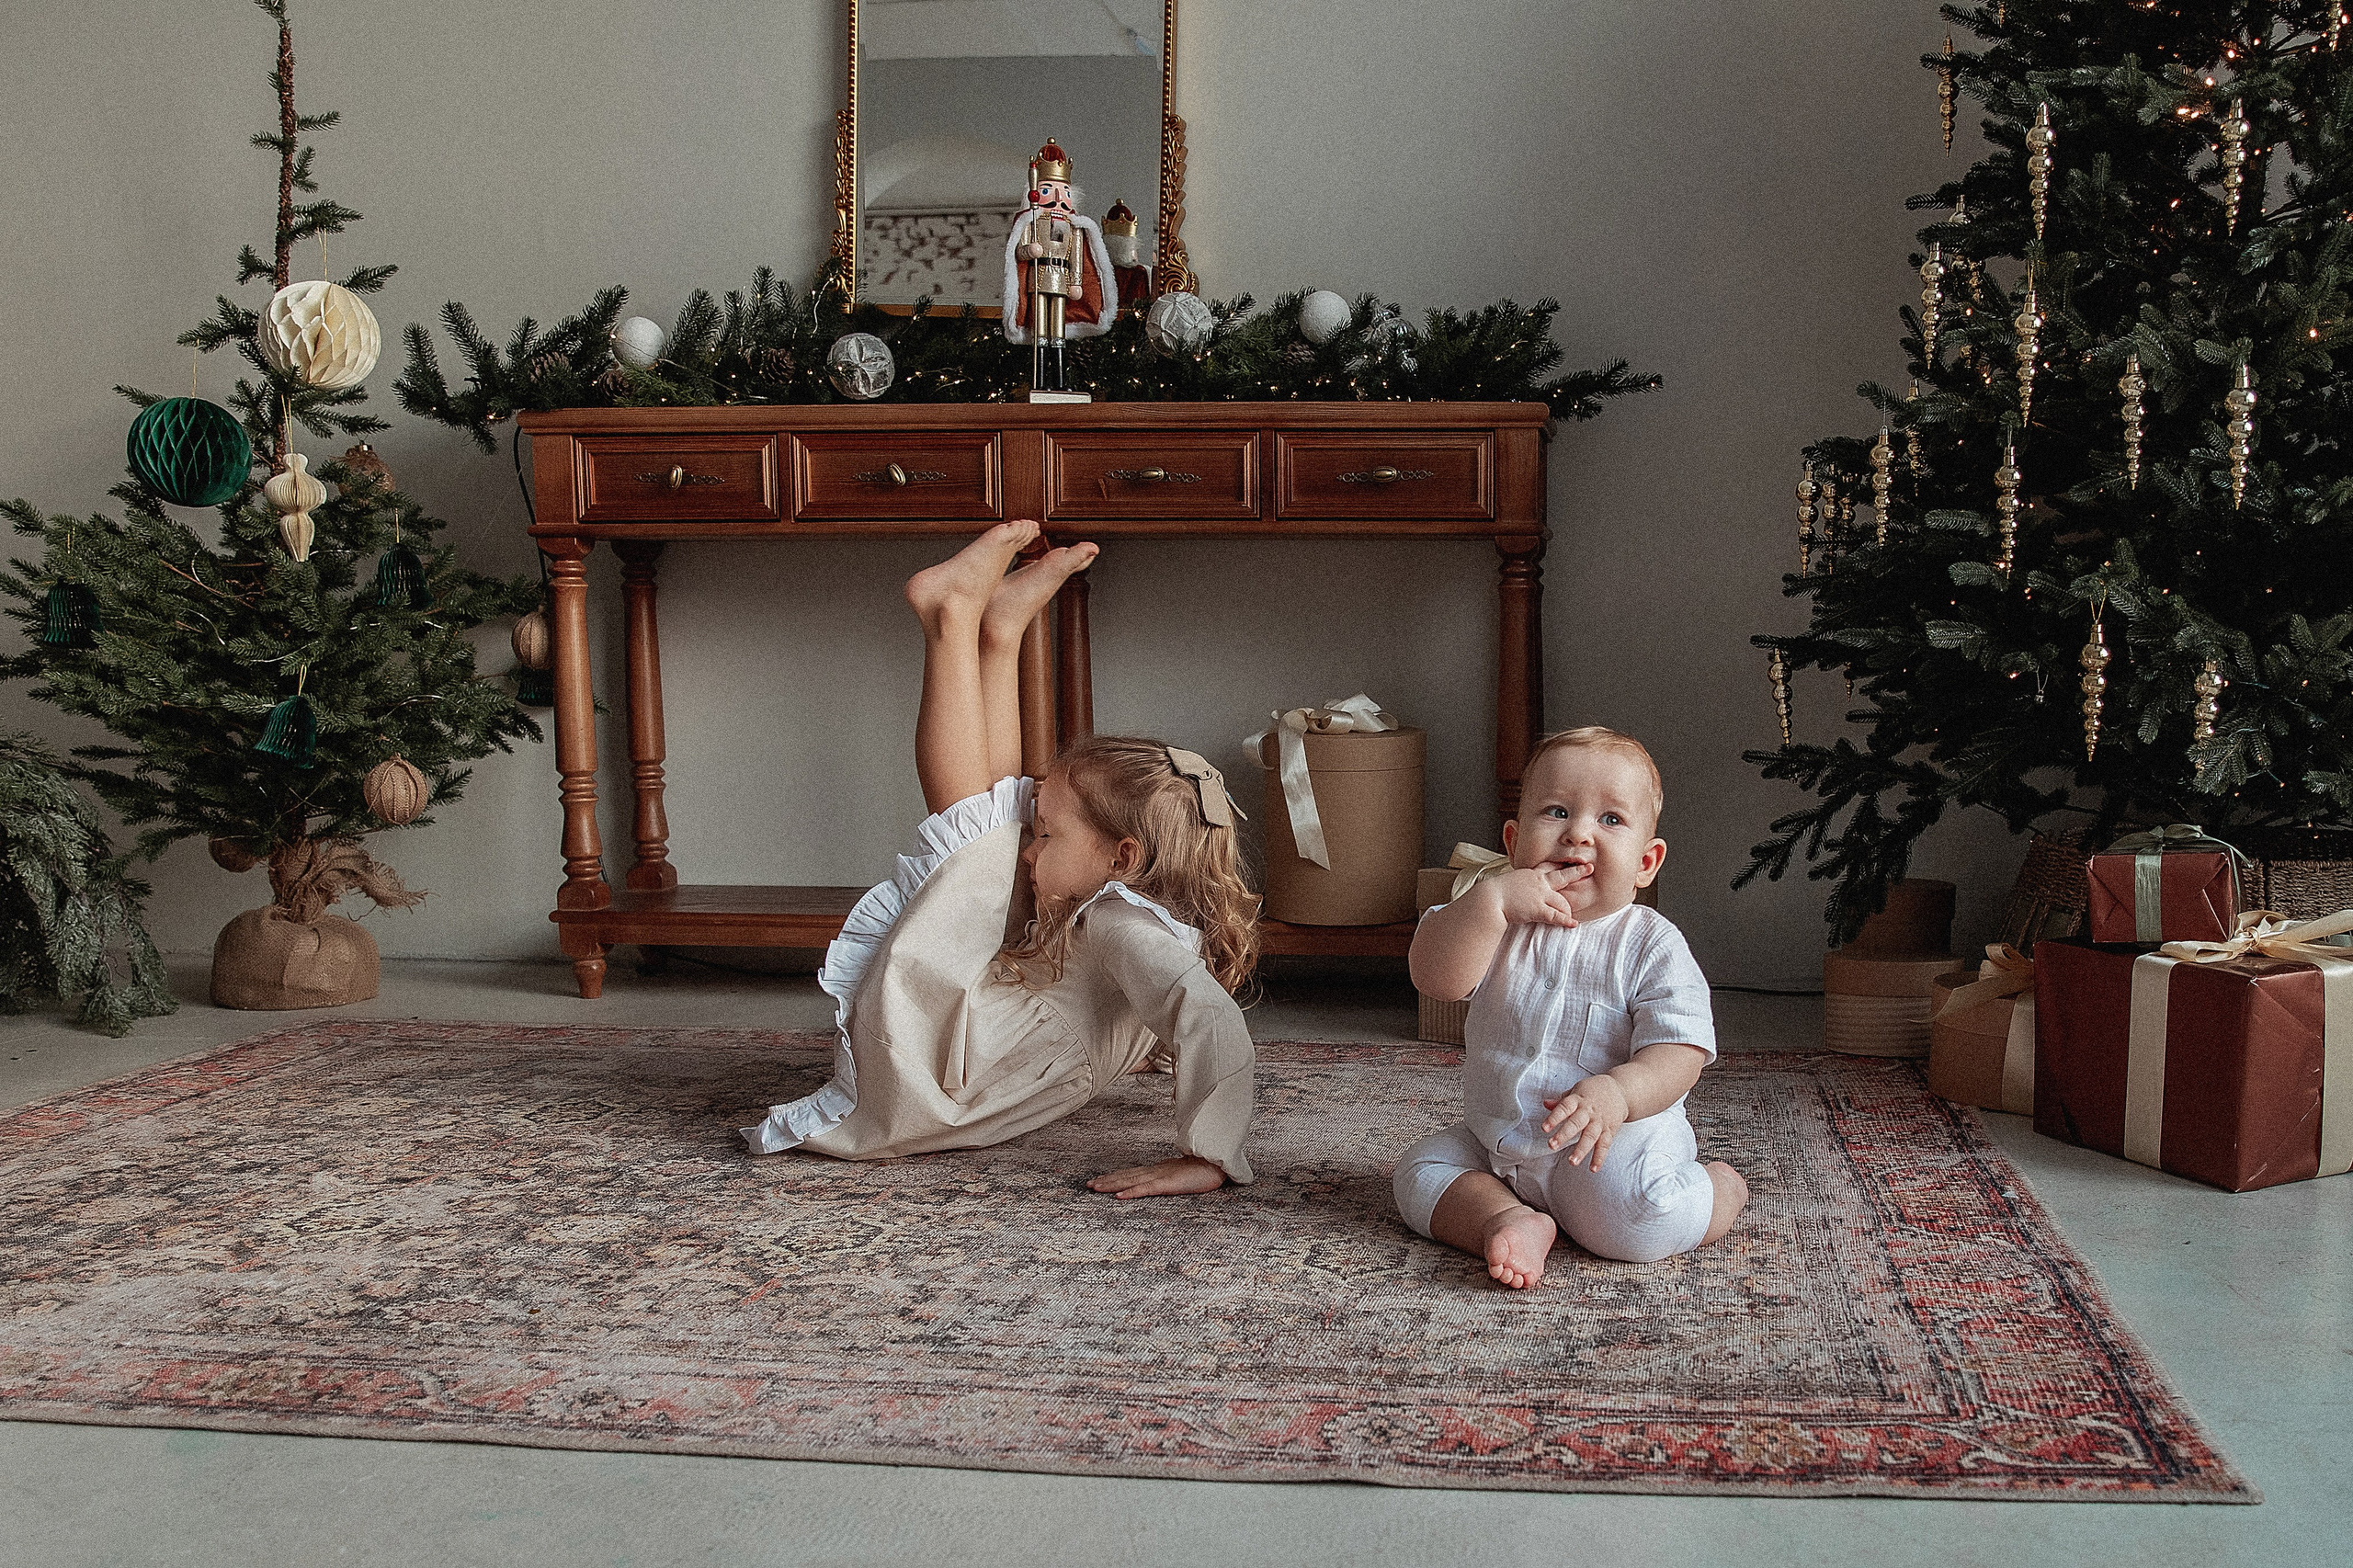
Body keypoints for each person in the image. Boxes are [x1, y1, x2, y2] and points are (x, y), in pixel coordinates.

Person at [741, 521, 1258, 1199]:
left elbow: (1210, 1016)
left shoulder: (1125, 928)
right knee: (992, 835)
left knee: (975, 848)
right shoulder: (1117, 900)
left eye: (1047, 838)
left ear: (1122, 858)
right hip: (973, 1050)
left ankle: (953, 619)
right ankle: (997, 635)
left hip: (943, 1067)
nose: (1029, 849)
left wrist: (1210, 1154)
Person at [1394, 727, 1747, 1287]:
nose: (1578, 835)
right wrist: (1488, 901)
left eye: (1611, 820)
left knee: (1639, 1225)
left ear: (1646, 863)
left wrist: (1620, 1091)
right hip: (1498, 1141)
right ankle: (1506, 1217)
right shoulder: (1494, 922)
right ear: (1513, 842)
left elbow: (1679, 1051)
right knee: (1418, 1175)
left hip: (1603, 1147)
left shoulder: (1650, 943)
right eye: (1556, 812)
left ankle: (1719, 1191)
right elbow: (1434, 978)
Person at [1001, 141, 1116, 395]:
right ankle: (1040, 381)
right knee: (1041, 328)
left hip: (1062, 278)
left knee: (1058, 330)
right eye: (1048, 189)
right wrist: (1028, 251)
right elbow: (1019, 251)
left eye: (1062, 189)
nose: (1056, 196)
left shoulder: (1074, 226)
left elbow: (1077, 256)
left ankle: (1060, 380)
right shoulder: (1030, 219)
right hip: (1037, 277)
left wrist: (1076, 281)